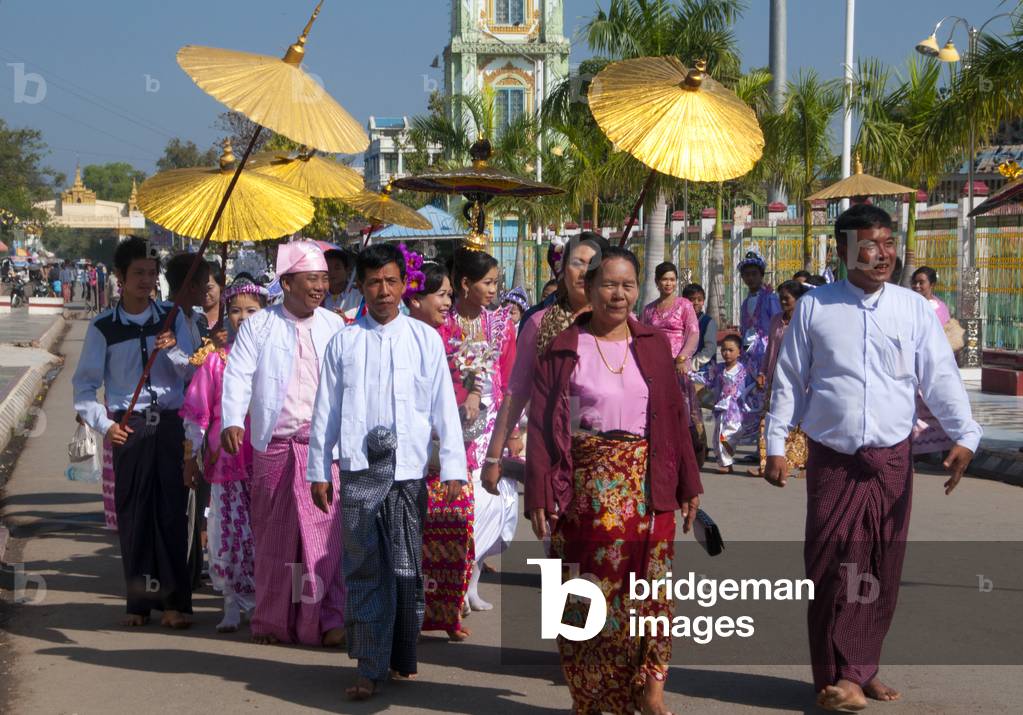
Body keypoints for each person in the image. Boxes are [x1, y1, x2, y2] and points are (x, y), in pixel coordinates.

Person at [764, 204, 982, 712]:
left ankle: (859, 673)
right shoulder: (816, 307)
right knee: (827, 569)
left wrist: (965, 435)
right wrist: (776, 446)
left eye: (889, 243)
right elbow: (790, 380)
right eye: (870, 244)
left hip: (890, 464)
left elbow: (940, 380)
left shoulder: (913, 309)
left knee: (878, 568)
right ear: (842, 251)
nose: (884, 254)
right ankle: (838, 676)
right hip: (833, 461)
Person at [525, 246, 702, 715]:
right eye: (608, 284)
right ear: (589, 288)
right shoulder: (564, 347)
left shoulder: (653, 345)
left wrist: (689, 483)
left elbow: (673, 416)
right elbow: (545, 424)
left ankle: (651, 685)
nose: (618, 294)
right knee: (585, 595)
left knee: (654, 590)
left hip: (648, 483)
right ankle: (592, 696)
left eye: (627, 285)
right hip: (584, 488)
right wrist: (540, 490)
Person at [307, 243, 467, 700]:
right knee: (364, 569)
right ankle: (368, 664)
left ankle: (400, 656)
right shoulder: (344, 341)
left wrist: (454, 465)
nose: (383, 291)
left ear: (404, 285)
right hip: (359, 473)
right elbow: (326, 412)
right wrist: (319, 470)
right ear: (360, 286)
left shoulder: (424, 339)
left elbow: (443, 407)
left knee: (405, 568)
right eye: (374, 282)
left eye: (391, 281)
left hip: (409, 472)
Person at [220, 241, 346, 647]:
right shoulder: (259, 325)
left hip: (322, 449)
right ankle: (274, 621)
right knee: (276, 539)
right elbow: (238, 376)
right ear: (287, 282)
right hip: (273, 446)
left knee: (325, 538)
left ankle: (328, 620)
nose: (320, 287)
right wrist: (233, 420)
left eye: (325, 279)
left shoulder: (336, 325)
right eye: (312, 279)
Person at [72, 236, 198, 629]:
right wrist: (107, 426)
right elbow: (84, 387)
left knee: (172, 514)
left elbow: (196, 373)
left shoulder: (173, 317)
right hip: (130, 426)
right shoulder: (103, 327)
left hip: (171, 424)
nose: (146, 281)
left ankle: (175, 604)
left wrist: (175, 350)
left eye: (152, 273)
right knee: (135, 514)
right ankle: (139, 603)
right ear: (120, 278)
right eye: (138, 274)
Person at [482, 232, 611, 500]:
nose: (584, 272)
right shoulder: (539, 323)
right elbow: (516, 392)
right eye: (578, 262)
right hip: (555, 451)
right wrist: (494, 457)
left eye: (593, 264)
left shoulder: (621, 325)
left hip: (611, 453)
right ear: (562, 269)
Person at [180, 275, 266, 633]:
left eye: (251, 310)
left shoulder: (274, 358)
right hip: (226, 461)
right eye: (235, 311)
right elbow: (198, 414)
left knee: (263, 534)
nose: (242, 318)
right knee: (227, 533)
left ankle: (265, 600)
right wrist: (192, 455)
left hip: (264, 458)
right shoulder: (214, 361)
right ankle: (231, 602)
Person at [439, 247, 518, 612]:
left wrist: (514, 427)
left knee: (495, 504)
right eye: (487, 282)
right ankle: (453, 585)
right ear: (465, 284)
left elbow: (511, 374)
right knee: (463, 503)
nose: (493, 289)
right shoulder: (443, 322)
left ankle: (473, 581)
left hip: (493, 424)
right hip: (453, 423)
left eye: (496, 282)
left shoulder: (500, 323)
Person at [405, 259, 475, 641]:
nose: (448, 301)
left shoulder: (456, 335)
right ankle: (412, 616)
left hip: (450, 451)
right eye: (440, 294)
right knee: (415, 541)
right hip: (411, 457)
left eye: (450, 294)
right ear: (415, 298)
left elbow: (479, 377)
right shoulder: (398, 337)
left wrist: (476, 391)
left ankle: (447, 614)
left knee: (456, 531)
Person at [641, 262, 704, 461]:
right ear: (657, 282)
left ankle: (688, 452)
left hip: (678, 367)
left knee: (682, 412)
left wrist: (682, 359)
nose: (668, 284)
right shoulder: (649, 310)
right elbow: (642, 336)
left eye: (672, 279)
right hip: (654, 367)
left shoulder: (684, 305)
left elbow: (693, 333)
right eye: (664, 279)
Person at [749, 279, 812, 478]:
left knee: (799, 423)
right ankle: (766, 463)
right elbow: (770, 348)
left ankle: (798, 463)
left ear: (798, 299)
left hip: (800, 378)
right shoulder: (776, 320)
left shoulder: (805, 321)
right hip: (775, 377)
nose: (783, 302)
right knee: (768, 419)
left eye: (787, 299)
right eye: (781, 298)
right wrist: (763, 372)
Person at [737, 251, 781, 446]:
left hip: (765, 355)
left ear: (761, 275)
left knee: (766, 402)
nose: (751, 278)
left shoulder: (771, 299)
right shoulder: (745, 302)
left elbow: (778, 327)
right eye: (747, 274)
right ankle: (757, 448)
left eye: (754, 274)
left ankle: (766, 449)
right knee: (751, 401)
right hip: (749, 357)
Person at [695, 334, 751, 474]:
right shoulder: (718, 369)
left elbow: (752, 387)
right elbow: (706, 378)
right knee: (717, 436)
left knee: (727, 436)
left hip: (736, 412)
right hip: (721, 408)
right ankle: (726, 463)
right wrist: (688, 374)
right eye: (724, 350)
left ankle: (727, 461)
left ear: (739, 352)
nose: (726, 353)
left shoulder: (744, 371)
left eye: (731, 350)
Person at [683, 283, 717, 374]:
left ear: (703, 301)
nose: (696, 303)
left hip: (702, 370)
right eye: (692, 299)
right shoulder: (679, 321)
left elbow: (710, 349)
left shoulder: (708, 322)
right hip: (681, 368)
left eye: (700, 299)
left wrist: (692, 364)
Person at [322, 248, 362, 319]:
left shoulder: (359, 297)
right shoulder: (320, 298)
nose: (332, 272)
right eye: (328, 268)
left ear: (347, 270)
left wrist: (345, 320)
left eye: (337, 268)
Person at [202, 260, 226, 331]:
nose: (205, 293)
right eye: (201, 288)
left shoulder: (229, 315)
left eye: (209, 288)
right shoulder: (192, 315)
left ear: (221, 287)